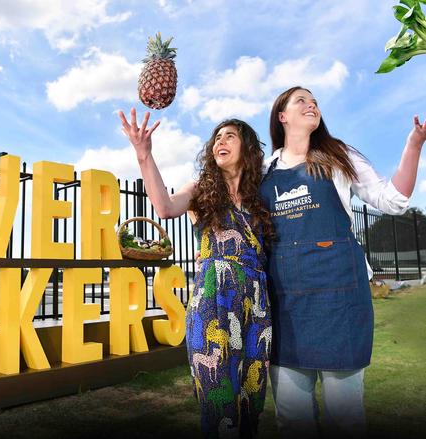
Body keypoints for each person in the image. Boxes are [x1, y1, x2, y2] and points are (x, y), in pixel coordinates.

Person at [260, 86, 426, 438]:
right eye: (301, 100)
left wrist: (414, 145)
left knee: (345, 418)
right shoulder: (263, 169)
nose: (312, 105)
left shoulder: (339, 155)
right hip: (286, 304)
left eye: (315, 101)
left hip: (340, 300)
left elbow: (393, 199)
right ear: (282, 116)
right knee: (291, 420)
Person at [119, 108, 273, 438]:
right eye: (217, 137)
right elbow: (165, 207)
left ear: (247, 148)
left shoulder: (261, 198)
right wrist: (144, 156)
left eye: (230, 135)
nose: (221, 140)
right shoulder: (202, 189)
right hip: (212, 302)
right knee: (219, 402)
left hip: (257, 305)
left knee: (252, 400)